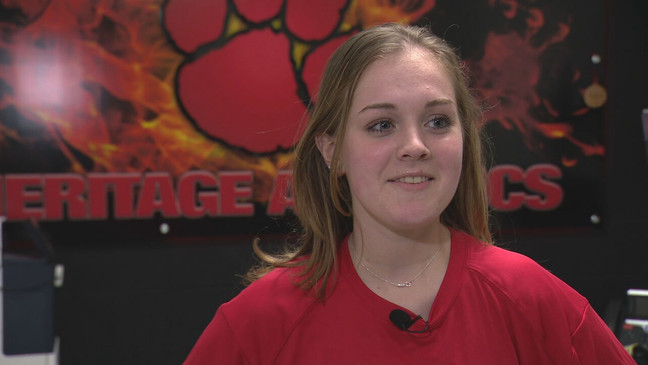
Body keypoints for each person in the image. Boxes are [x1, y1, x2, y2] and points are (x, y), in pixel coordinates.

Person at [185, 23, 633, 364]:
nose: (415, 146)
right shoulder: (259, 323)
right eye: (382, 125)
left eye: (438, 121)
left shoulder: (531, 297)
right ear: (332, 151)